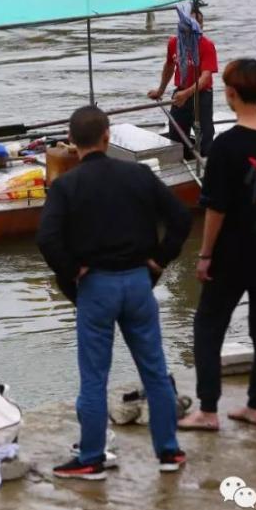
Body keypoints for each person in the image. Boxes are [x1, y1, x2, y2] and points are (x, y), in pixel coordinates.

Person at [37, 106, 191, 480]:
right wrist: (160, 258)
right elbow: (181, 218)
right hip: (139, 282)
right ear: (108, 136)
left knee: (94, 378)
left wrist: (73, 269)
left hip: (96, 287)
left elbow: (47, 239)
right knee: (155, 370)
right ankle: (169, 452)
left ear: (72, 143)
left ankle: (91, 457)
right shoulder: (138, 174)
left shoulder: (65, 187)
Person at [178, 59, 256, 431]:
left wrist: (205, 254)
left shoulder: (227, 145)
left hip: (231, 254)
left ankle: (208, 410)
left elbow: (216, 208)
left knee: (209, 326)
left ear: (230, 94)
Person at [147, 6, 219, 157]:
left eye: (199, 23)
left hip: (201, 94)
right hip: (180, 92)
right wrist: (160, 91)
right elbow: (169, 66)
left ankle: (206, 164)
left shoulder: (206, 45)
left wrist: (187, 94)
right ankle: (183, 162)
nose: (195, 27)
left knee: (205, 134)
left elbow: (205, 78)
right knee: (176, 133)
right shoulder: (174, 43)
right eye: (192, 23)